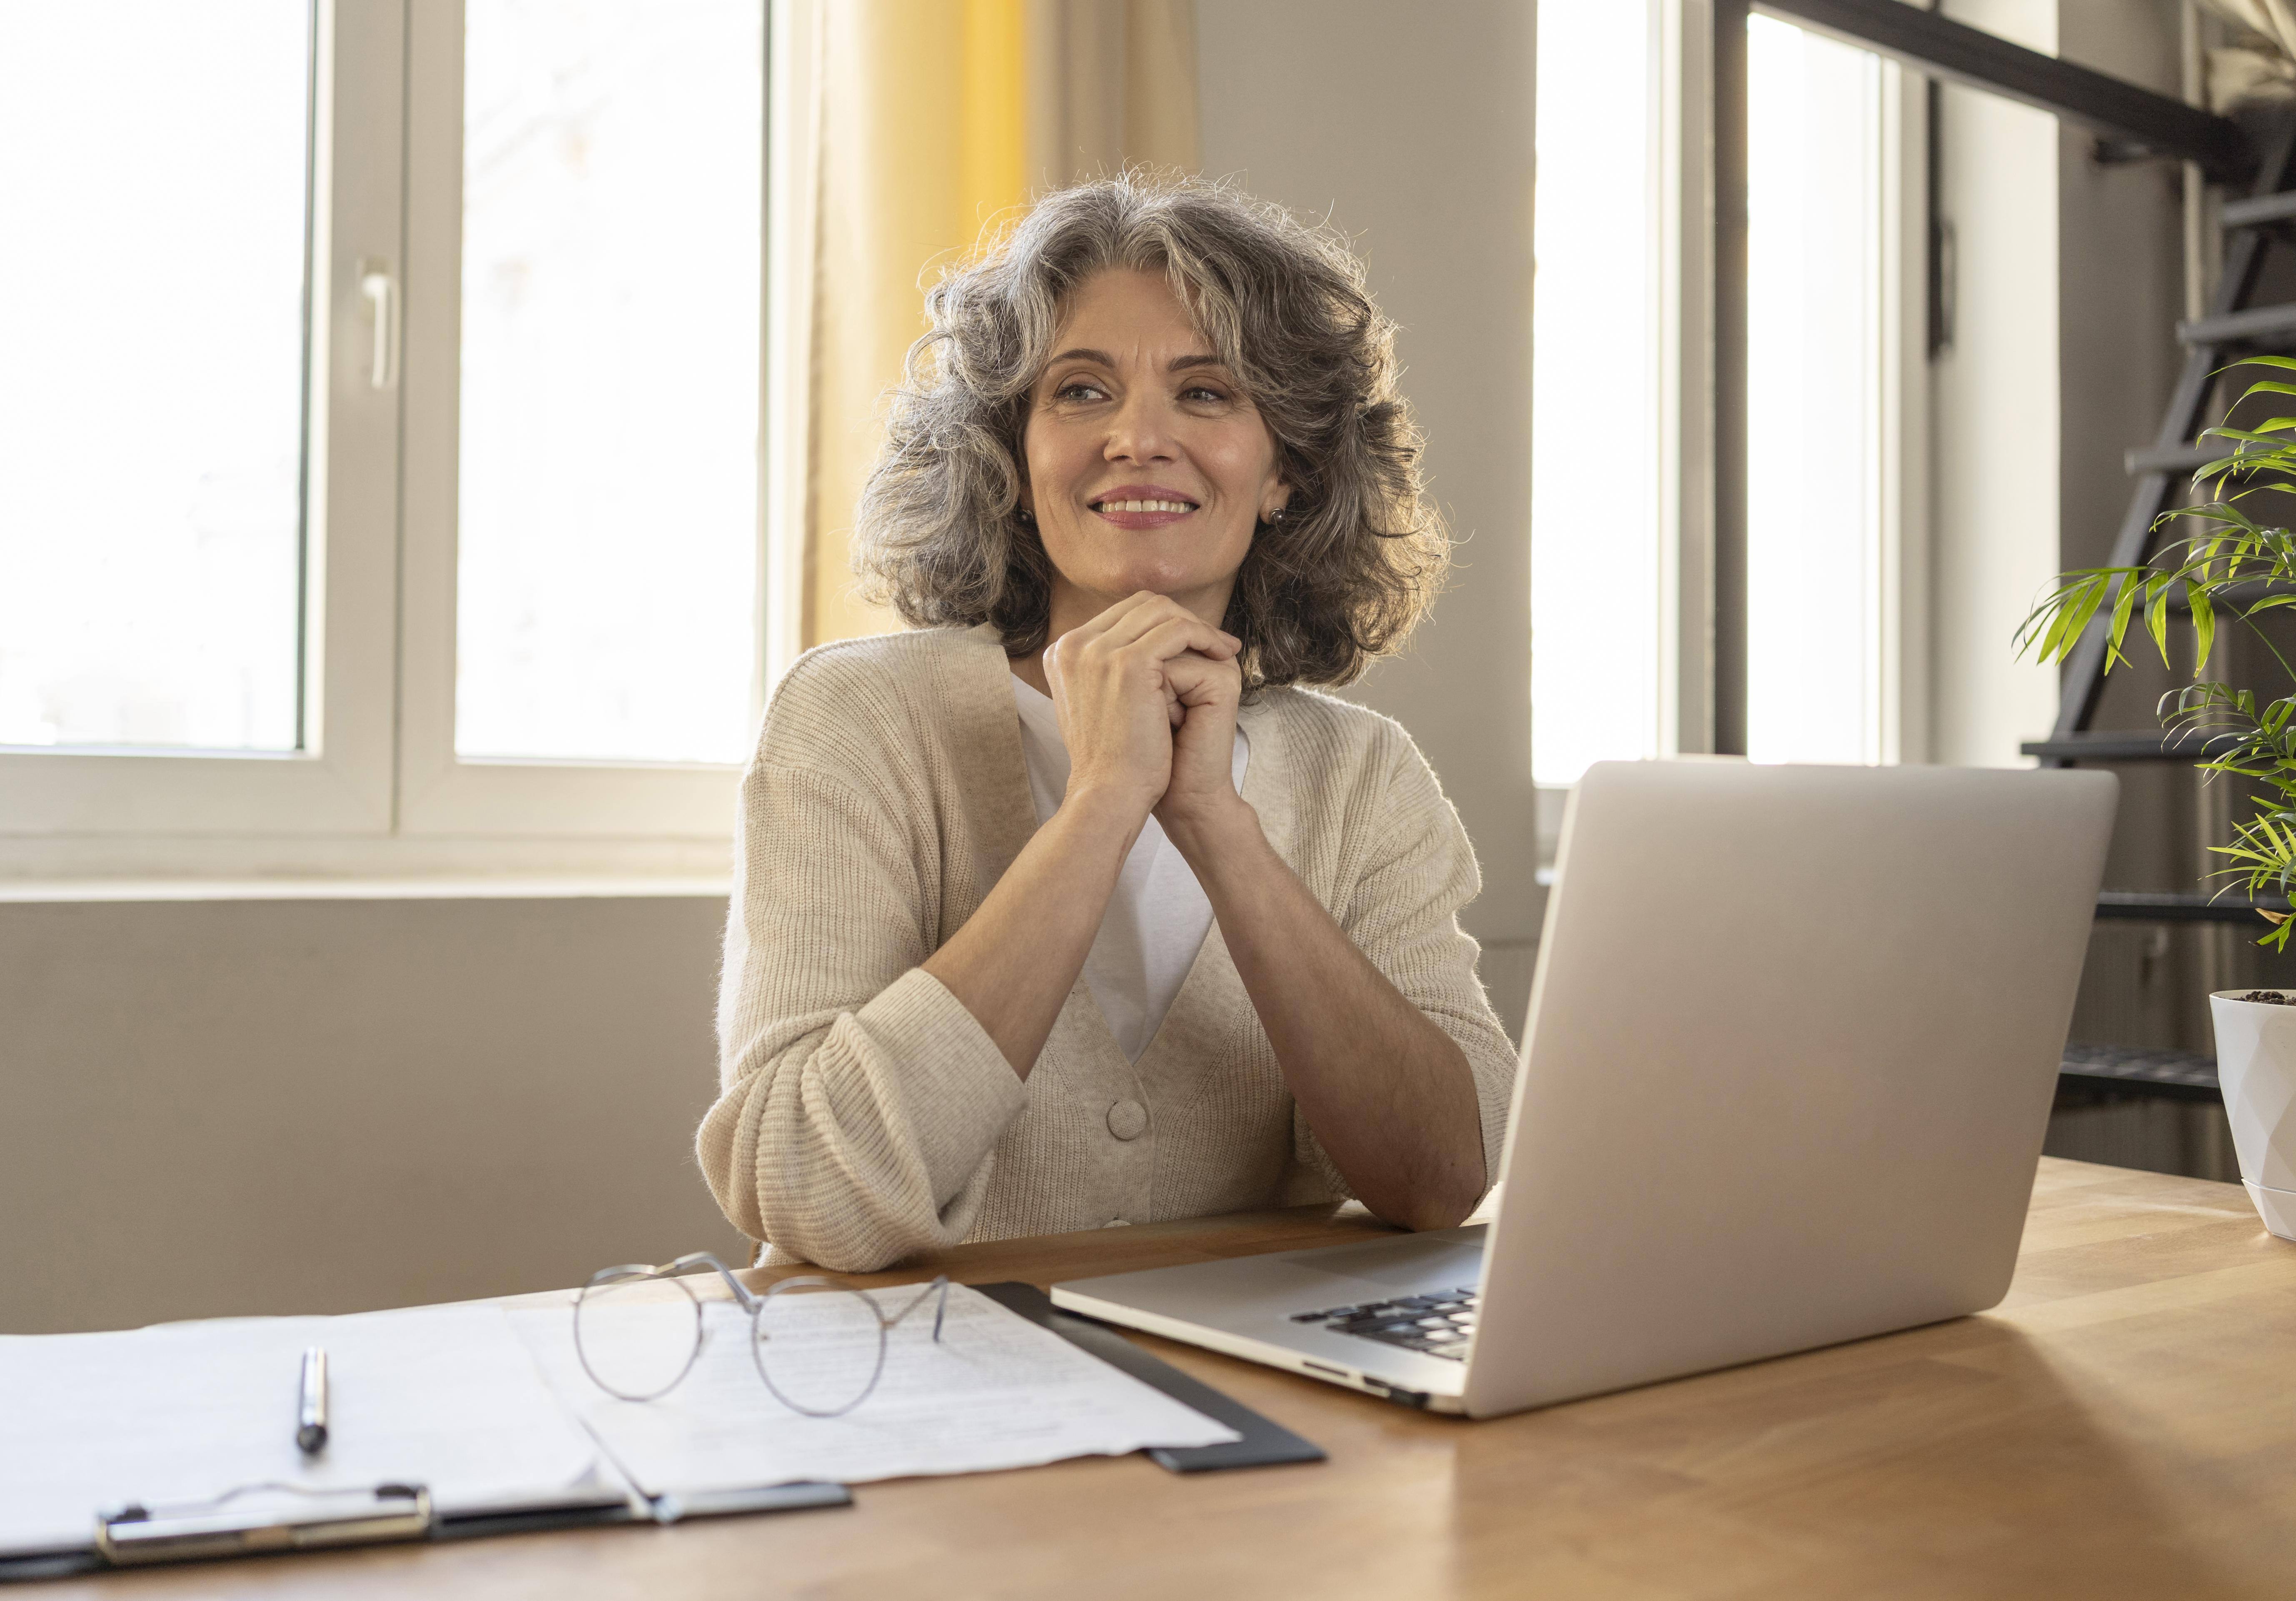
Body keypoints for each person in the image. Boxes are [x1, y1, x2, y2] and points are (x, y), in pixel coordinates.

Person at [698, 175, 1518, 1273]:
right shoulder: (857, 718)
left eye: (1207, 392)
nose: (1136, 436)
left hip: (1270, 1414)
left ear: (1288, 470)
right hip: (925, 1407)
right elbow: (808, 1191)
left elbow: (1440, 1178)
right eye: (1079, 391)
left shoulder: (1362, 775)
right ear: (1016, 454)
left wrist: (1216, 823)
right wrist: (1097, 810)